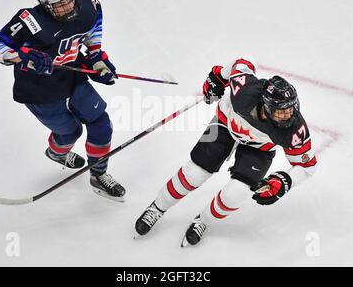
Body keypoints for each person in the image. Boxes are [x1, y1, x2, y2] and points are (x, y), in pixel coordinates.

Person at [134, 57, 318, 246]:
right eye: (281, 111)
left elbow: (308, 167)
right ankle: (157, 207)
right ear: (267, 106)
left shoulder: (294, 130)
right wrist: (218, 76)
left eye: (291, 108)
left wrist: (285, 181)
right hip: (224, 124)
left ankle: (203, 221)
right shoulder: (245, 91)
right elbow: (241, 63)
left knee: (237, 193)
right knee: (194, 173)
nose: (288, 116)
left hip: (259, 147)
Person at [0, 0, 125, 202]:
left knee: (101, 123)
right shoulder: (28, 21)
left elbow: (92, 37)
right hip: (39, 90)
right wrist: (21, 56)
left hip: (72, 77)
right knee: (71, 132)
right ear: (45, 5)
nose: (68, 6)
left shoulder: (90, 4)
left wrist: (97, 61)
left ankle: (98, 175)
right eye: (59, 5)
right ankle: (56, 153)